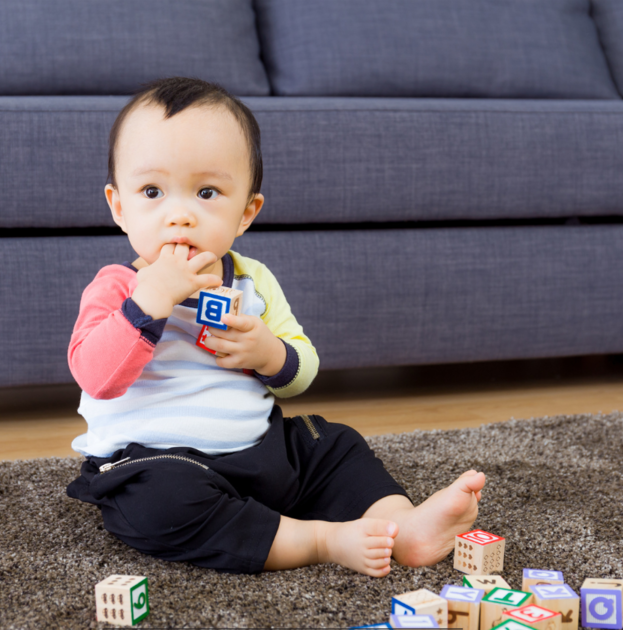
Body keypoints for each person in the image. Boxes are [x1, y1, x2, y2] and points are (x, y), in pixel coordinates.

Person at [65, 76, 486, 576]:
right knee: (160, 507)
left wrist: (268, 352)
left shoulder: (251, 281)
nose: (179, 215)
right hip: (160, 462)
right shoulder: (116, 287)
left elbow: (302, 370)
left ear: (246, 212)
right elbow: (95, 376)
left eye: (207, 192)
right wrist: (148, 302)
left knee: (333, 444)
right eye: (153, 191)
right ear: (119, 206)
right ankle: (319, 540)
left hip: (263, 453)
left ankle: (403, 525)